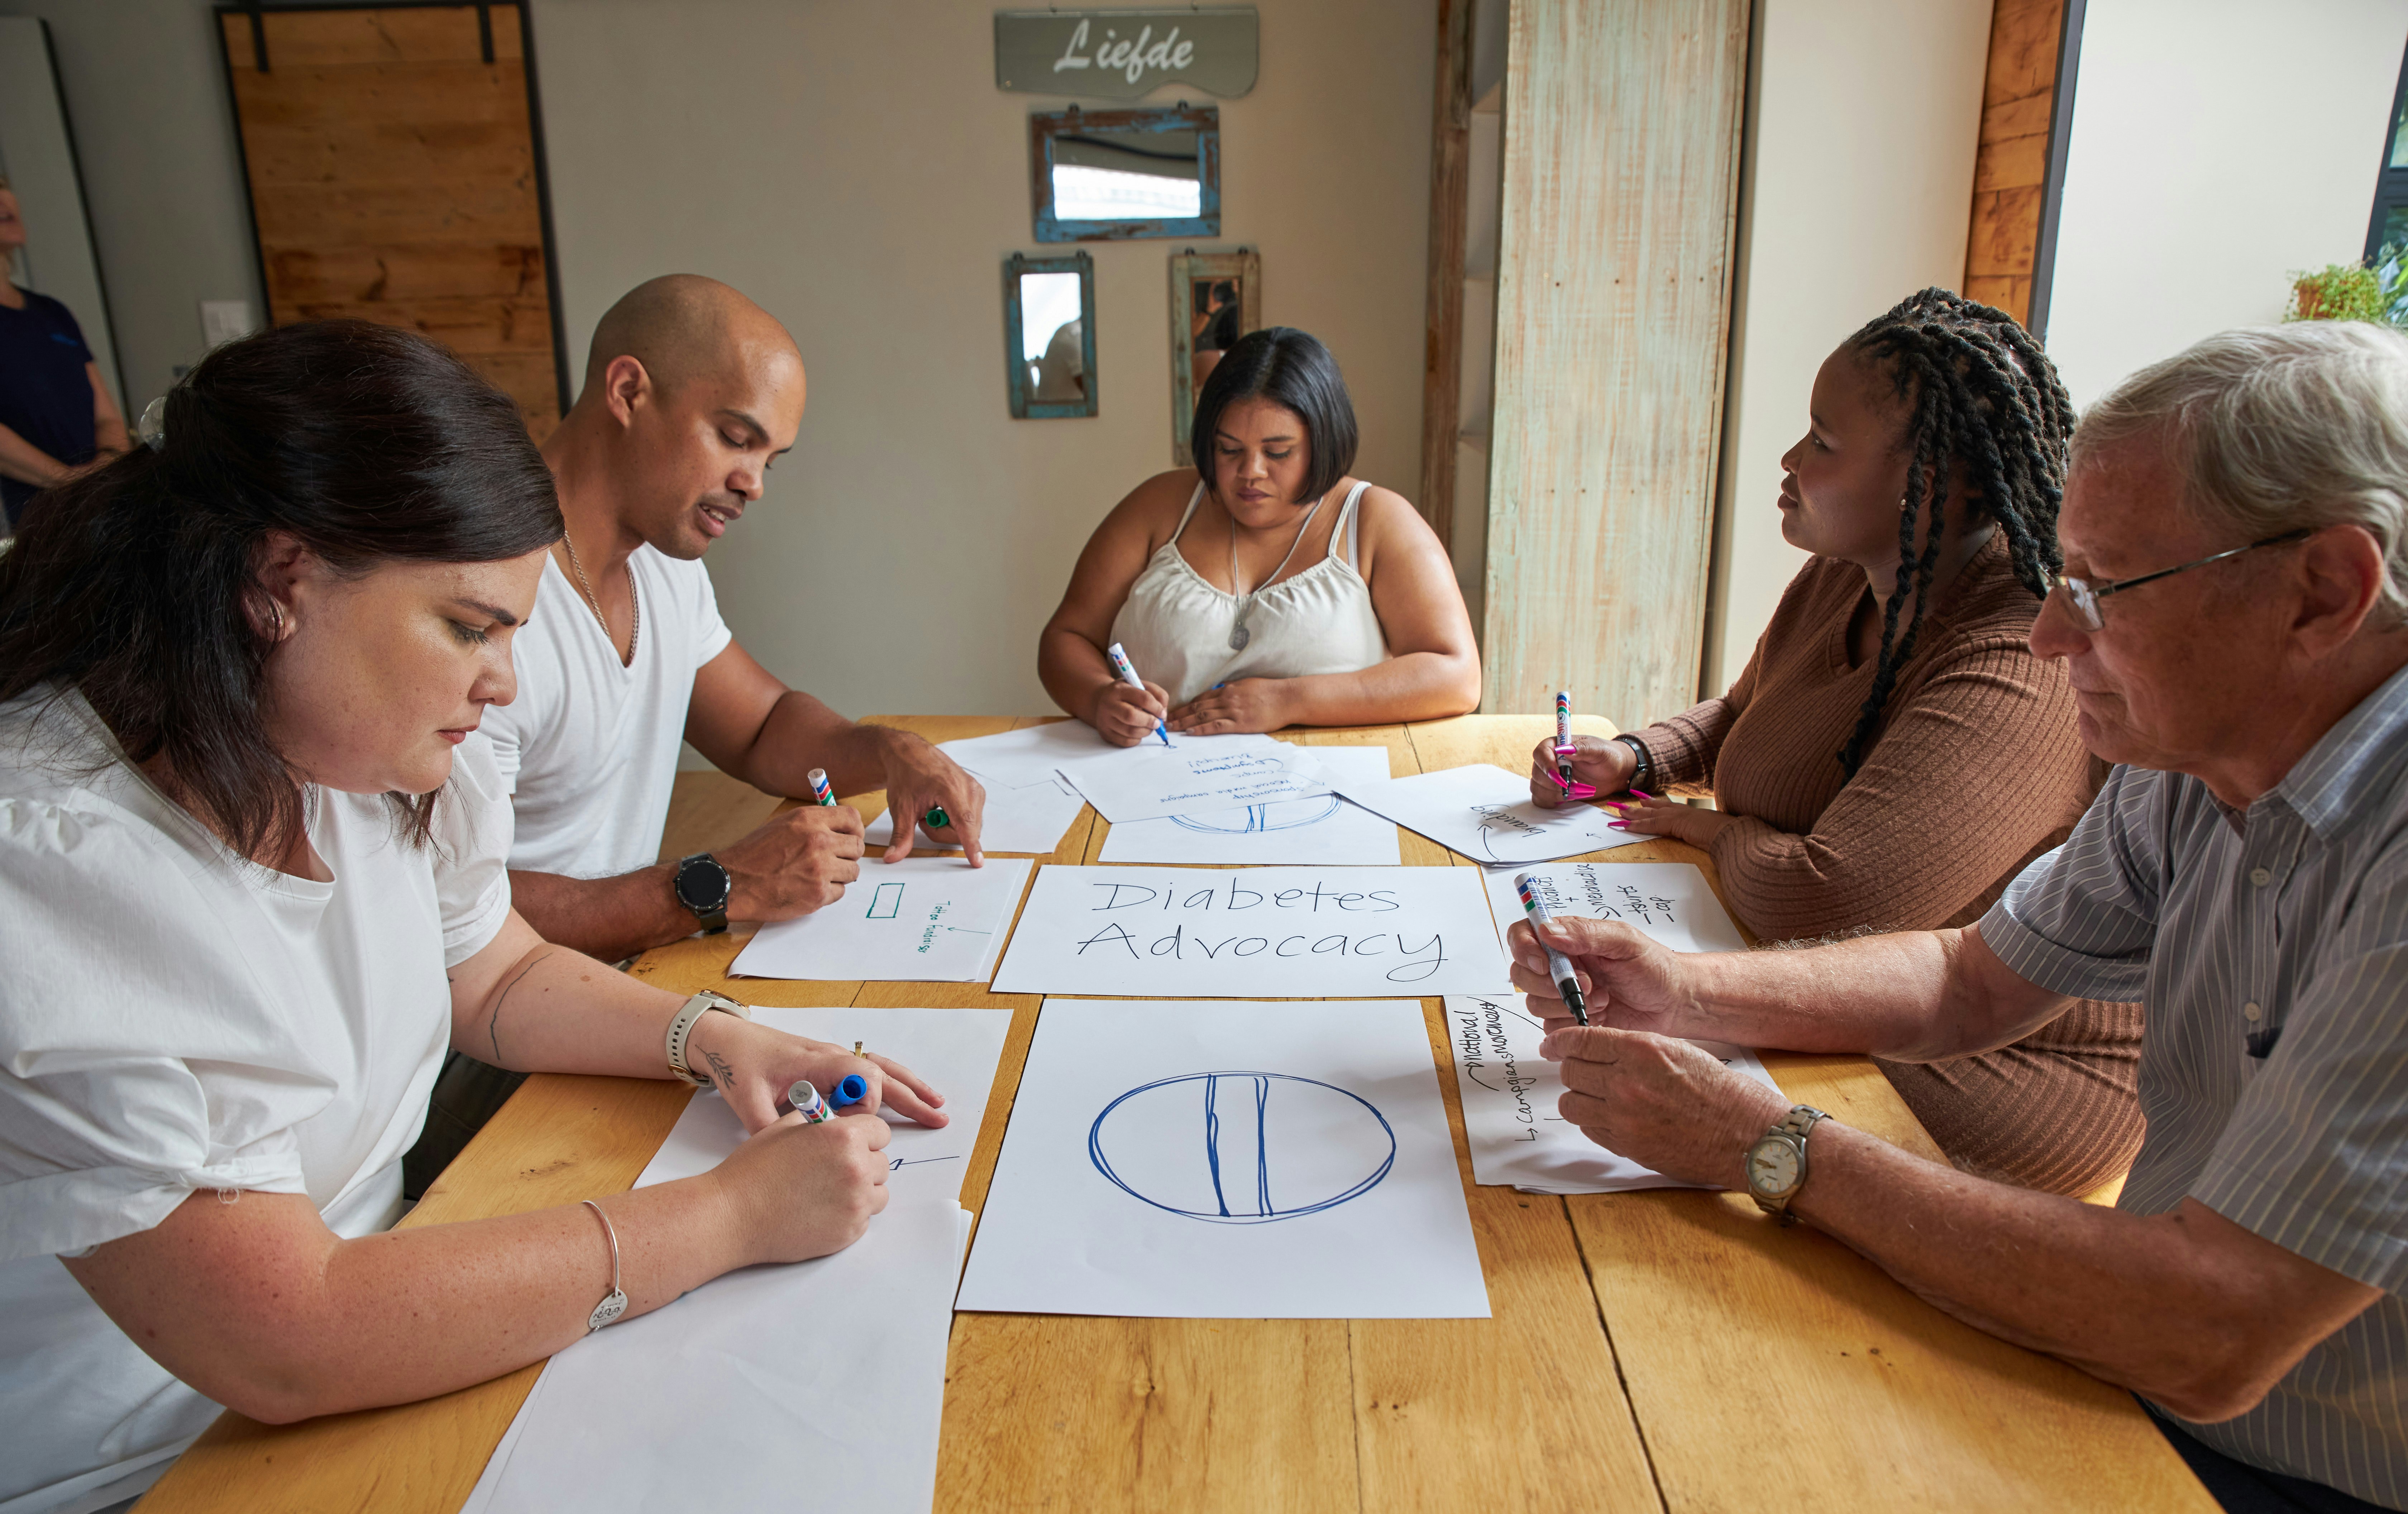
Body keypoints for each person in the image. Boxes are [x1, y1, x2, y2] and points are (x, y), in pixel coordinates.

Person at [0, 321, 946, 1514]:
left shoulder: (355, 752)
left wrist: (716, 1035)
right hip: (131, 1479)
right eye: (469, 628)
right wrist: (723, 1218)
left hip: (371, 1345)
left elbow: (492, 975)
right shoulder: (57, 863)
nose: (506, 685)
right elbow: (290, 1335)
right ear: (279, 579)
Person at [1505, 321, 2408, 1514]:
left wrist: (1769, 1147)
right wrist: (1685, 986)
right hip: (2163, 1391)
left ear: (2318, 590)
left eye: (2101, 588)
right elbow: (1969, 981)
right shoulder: (2203, 753)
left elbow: (2213, 1324)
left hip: (2329, 1497)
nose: (2050, 635)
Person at [1530, 288, 2141, 1195]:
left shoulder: (2017, 652)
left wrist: (1712, 831)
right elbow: (1746, 711)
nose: (1788, 460)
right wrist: (1640, 757)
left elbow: (1830, 905)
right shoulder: (1847, 573)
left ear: (1931, 481)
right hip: (1807, 978)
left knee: (1589, 1120)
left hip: (1990, 1073)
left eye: (1821, 442)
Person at [482, 274, 988, 969]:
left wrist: (890, 752)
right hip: (490, 1039)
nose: (754, 483)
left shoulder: (664, 564)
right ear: (627, 392)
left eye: (769, 458)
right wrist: (719, 884)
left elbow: (761, 727)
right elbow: (458, 909)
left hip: (620, 972)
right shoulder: (482, 599)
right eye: (734, 437)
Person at [1041, 326, 1481, 741]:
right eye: (1229, 449)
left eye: (1278, 452)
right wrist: (1100, 697)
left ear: (1323, 441)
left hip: (1327, 792)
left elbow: (1457, 676)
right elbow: (1066, 639)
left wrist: (1289, 699)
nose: (1250, 473)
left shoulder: (1375, 520)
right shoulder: (1160, 507)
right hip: (1154, 782)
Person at [0, 177, 129, 525]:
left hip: (110, 502)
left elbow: (107, 417)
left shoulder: (52, 312)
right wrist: (66, 482)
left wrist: (111, 461)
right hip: (44, 523)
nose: (3, 198)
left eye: (2, 184)